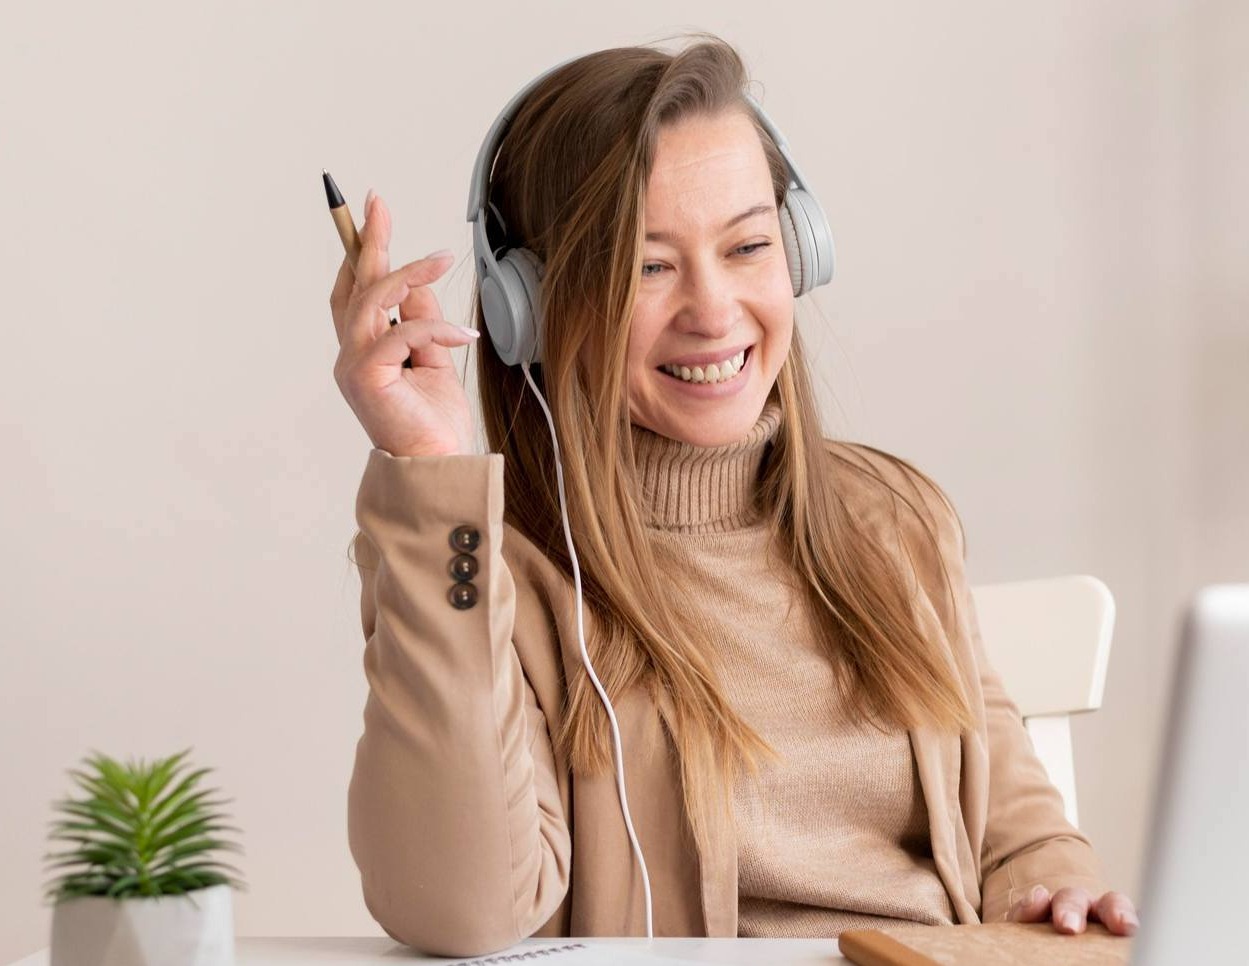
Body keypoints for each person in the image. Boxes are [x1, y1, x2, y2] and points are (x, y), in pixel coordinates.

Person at [326, 35, 1137, 958]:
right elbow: (459, 910)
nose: (714, 311)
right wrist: (431, 473)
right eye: (647, 264)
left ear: (800, 249)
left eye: (749, 245)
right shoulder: (486, 567)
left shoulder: (895, 521)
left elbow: (1013, 818)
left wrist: (1053, 883)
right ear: (532, 307)